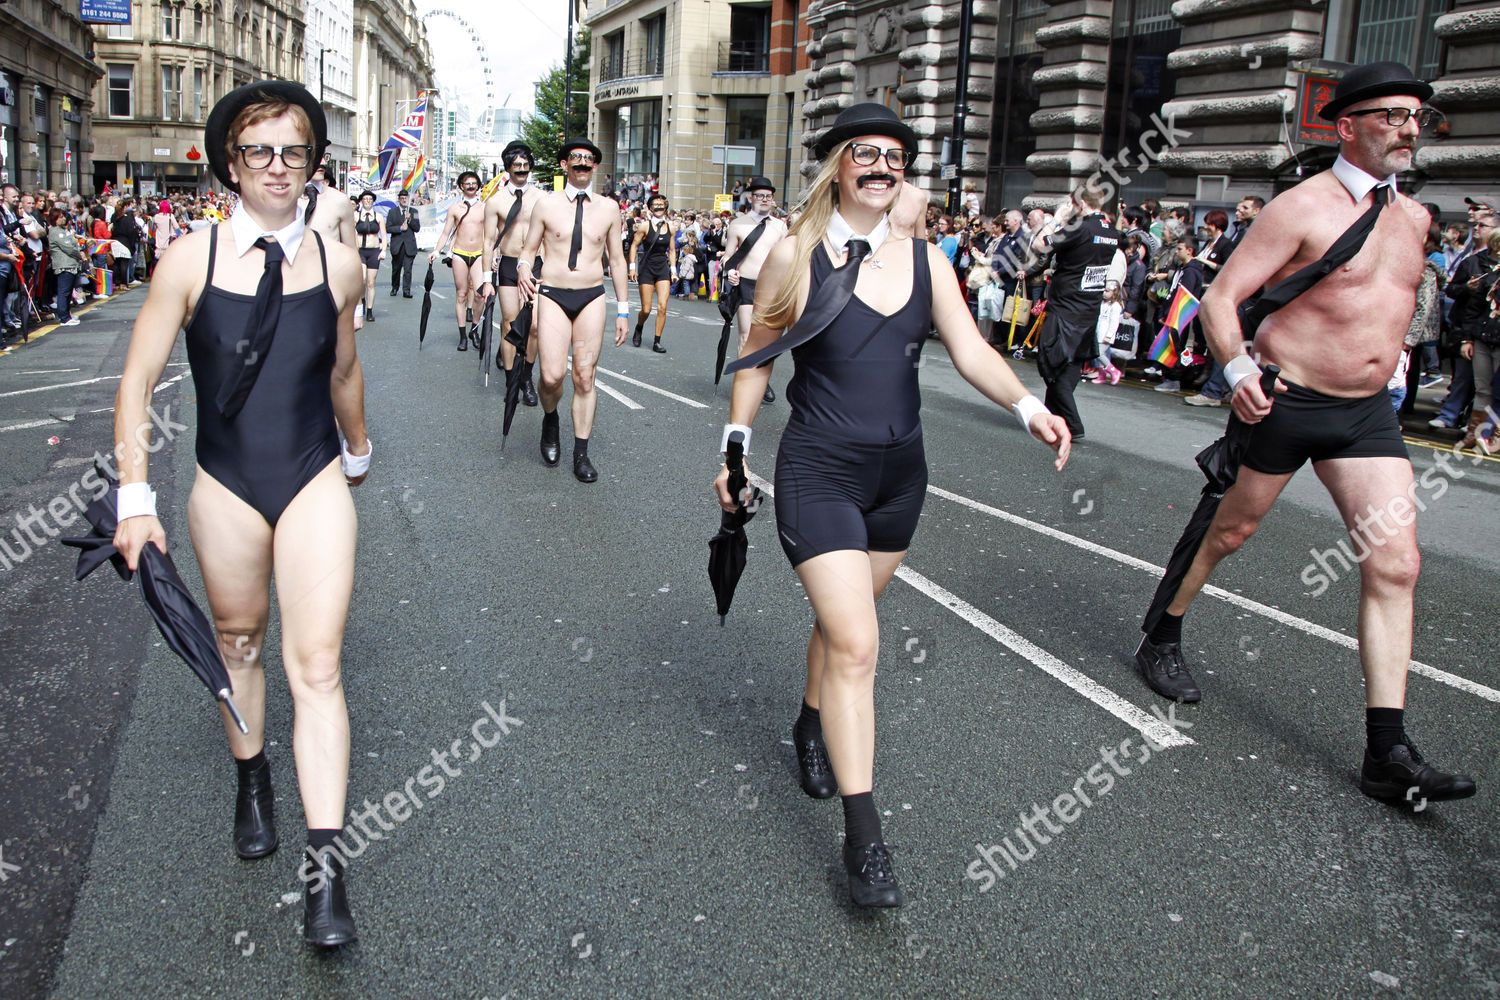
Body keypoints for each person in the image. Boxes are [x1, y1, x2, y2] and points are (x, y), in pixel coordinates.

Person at [713, 102, 1070, 909]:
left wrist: (1028, 407)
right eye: (865, 154)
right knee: (860, 644)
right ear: (838, 165)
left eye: (895, 157)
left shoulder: (926, 260)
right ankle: (865, 839)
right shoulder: (792, 256)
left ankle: (810, 723)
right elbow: (757, 359)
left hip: (900, 480)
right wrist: (734, 445)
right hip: (819, 471)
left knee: (845, 636)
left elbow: (972, 349)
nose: (882, 167)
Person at [1132, 61, 1475, 808]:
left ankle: (1386, 750)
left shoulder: (1415, 219)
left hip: (1366, 414)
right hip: (1286, 401)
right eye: (1390, 115)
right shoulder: (1300, 207)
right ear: (1346, 125)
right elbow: (1222, 298)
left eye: (1417, 116)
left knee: (1398, 565)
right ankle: (1164, 632)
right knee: (1230, 533)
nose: (1408, 128)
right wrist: (1237, 370)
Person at [111, 81, 372, 946]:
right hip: (223, 483)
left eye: (292, 151)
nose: (276, 167)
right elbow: (137, 381)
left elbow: (340, 372)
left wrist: (359, 447)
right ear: (231, 161)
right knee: (240, 644)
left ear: (312, 161)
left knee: (320, 666)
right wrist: (135, 499)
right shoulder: (190, 259)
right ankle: (252, 776)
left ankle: (326, 873)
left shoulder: (340, 264)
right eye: (258, 151)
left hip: (311, 475)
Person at [514, 138, 630, 482]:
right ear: (564, 165)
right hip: (551, 294)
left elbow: (618, 261)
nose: (582, 165)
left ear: (595, 167)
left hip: (592, 296)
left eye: (588, 161)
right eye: (575, 160)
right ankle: (551, 420)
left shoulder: (609, 208)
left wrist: (623, 310)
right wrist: (522, 267)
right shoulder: (546, 205)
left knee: (584, 375)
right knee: (551, 377)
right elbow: (528, 248)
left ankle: (581, 453)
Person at [1029, 184, 1123, 439]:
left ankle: (1072, 423)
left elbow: (1040, 245)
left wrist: (1057, 221)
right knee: (1069, 362)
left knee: (1051, 361)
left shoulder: (1079, 226)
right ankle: (1052, 415)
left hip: (1066, 306)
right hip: (1089, 307)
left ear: (1079, 204)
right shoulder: (1111, 231)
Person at [479, 141, 541, 403]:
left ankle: (526, 376)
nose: (522, 170)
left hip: (537, 264)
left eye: (526, 166)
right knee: (509, 323)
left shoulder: (541, 197)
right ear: (508, 168)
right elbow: (487, 240)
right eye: (517, 165)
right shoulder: (495, 201)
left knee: (535, 326)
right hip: (508, 264)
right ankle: (511, 382)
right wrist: (485, 279)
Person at [722, 176, 788, 403]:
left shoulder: (780, 226)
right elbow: (728, 256)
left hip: (772, 287)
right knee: (746, 334)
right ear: (751, 198)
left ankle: (762, 376)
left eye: (768, 196)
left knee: (768, 338)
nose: (764, 200)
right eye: (759, 196)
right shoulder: (738, 224)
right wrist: (729, 271)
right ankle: (748, 381)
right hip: (746, 285)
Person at [429, 170, 488, 351]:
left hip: (479, 254)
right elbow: (446, 233)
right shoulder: (455, 208)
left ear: (478, 186)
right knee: (461, 294)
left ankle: (475, 329)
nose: (470, 186)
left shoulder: (485, 207)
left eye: (473, 183)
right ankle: (463, 336)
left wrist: (494, 255)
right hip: (460, 254)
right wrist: (437, 251)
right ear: (461, 186)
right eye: (466, 183)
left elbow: (492, 235)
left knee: (480, 294)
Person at [628, 193, 676, 352]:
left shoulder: (671, 227)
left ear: (665, 207)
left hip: (662, 268)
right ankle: (639, 326)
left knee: (662, 307)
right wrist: (632, 267)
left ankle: (657, 341)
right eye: (655, 204)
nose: (659, 207)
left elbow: (672, 250)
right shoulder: (645, 226)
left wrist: (673, 271)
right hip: (647, 268)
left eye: (661, 204)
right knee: (646, 309)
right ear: (650, 208)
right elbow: (634, 245)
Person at [45, 207, 85, 327]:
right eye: (60, 217)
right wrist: (79, 254)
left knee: (68, 291)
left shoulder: (63, 230)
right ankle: (64, 317)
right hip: (64, 265)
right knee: (64, 291)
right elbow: (68, 247)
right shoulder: (56, 232)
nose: (63, 219)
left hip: (71, 264)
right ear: (55, 219)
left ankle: (67, 313)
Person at [352, 190, 385, 321]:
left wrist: (383, 251)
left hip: (373, 251)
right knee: (363, 279)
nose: (367, 201)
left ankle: (370, 310)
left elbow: (383, 234)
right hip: (360, 251)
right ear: (361, 201)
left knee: (371, 283)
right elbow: (351, 232)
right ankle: (362, 299)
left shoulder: (378, 216)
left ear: (373, 201)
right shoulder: (356, 216)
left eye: (370, 199)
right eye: (365, 199)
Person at [385, 189, 419, 298]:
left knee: (408, 270)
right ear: (399, 199)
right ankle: (395, 287)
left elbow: (417, 228)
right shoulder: (392, 212)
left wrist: (410, 220)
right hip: (397, 245)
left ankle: (406, 290)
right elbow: (388, 228)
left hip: (409, 245)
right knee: (396, 269)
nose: (404, 200)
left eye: (406, 198)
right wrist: (400, 228)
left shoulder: (414, 212)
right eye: (402, 198)